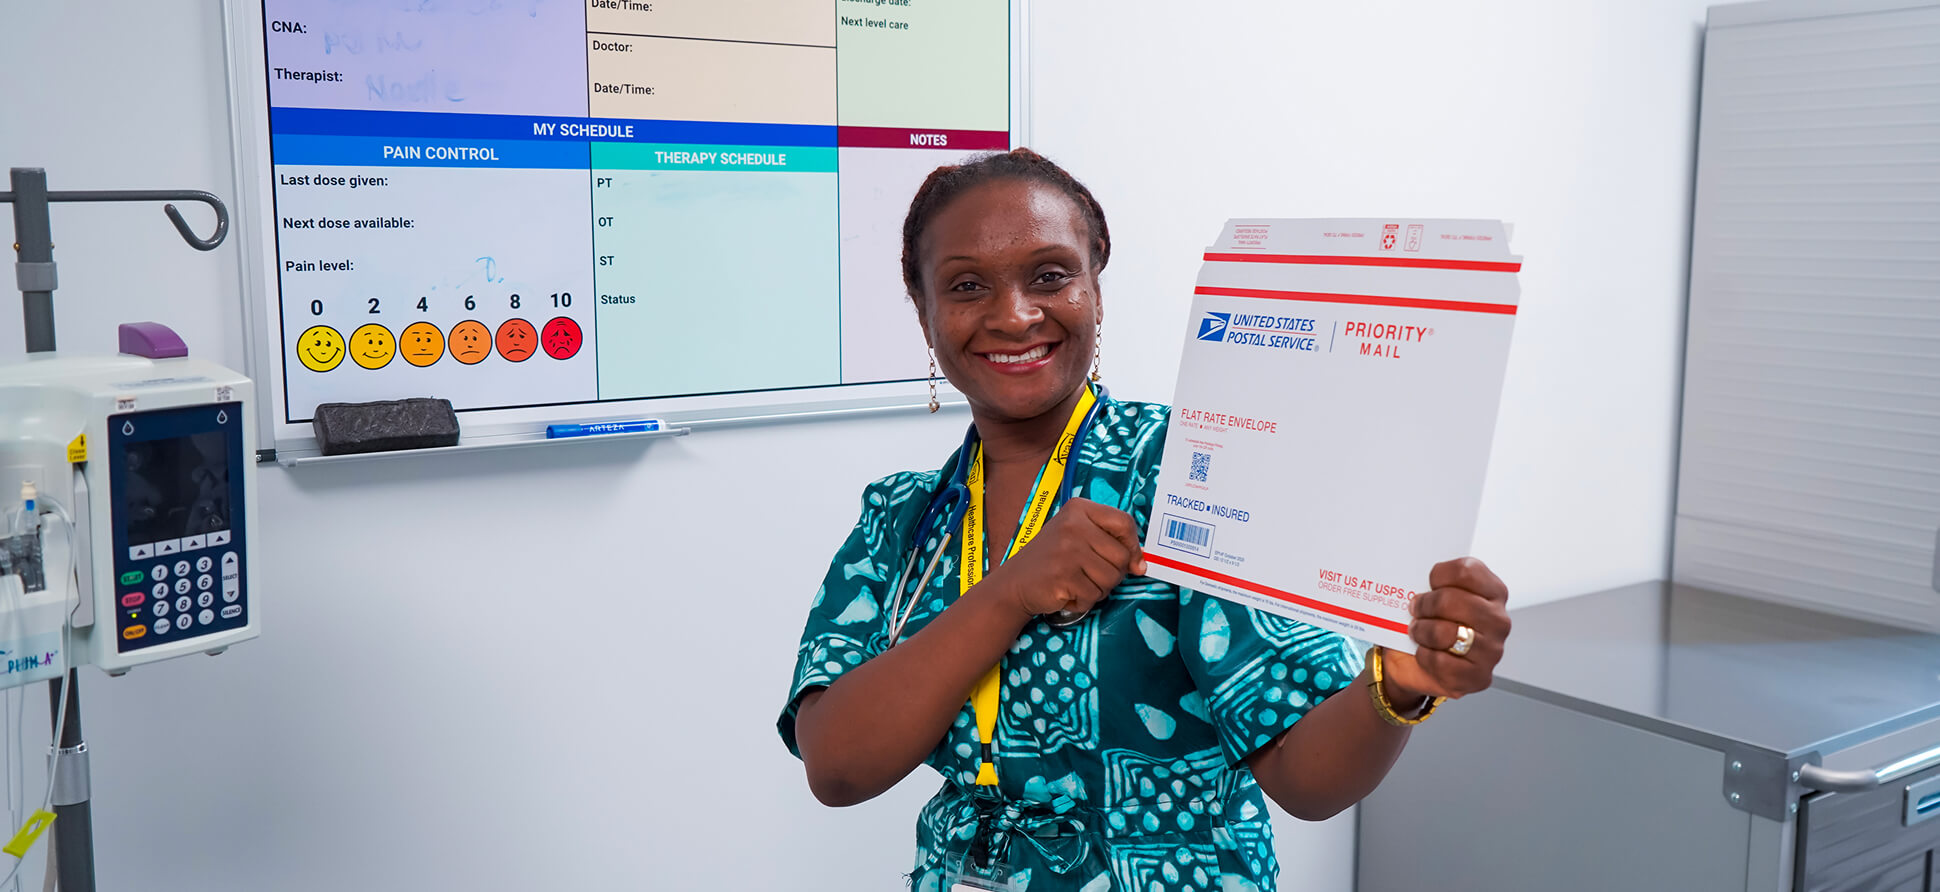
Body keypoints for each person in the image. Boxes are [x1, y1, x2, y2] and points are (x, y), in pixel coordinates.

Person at [778, 149, 1511, 892]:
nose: (1015, 314)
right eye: (967, 286)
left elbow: (1304, 780)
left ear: (1096, 286)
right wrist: (1009, 592)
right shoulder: (903, 520)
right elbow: (837, 767)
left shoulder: (1191, 473)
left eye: (1050, 275)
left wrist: (1401, 682)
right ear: (923, 307)